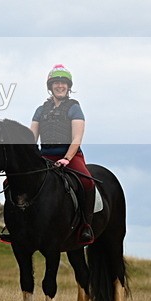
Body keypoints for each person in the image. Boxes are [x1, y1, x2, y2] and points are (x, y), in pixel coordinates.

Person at [30, 64, 95, 244]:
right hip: (45, 157)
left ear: (68, 86)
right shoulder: (40, 110)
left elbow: (77, 138)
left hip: (70, 156)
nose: (60, 86)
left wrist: (66, 158)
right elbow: (31, 138)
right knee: (11, 181)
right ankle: (17, 226)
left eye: (63, 83)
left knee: (87, 182)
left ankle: (85, 226)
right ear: (50, 86)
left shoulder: (74, 108)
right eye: (56, 83)